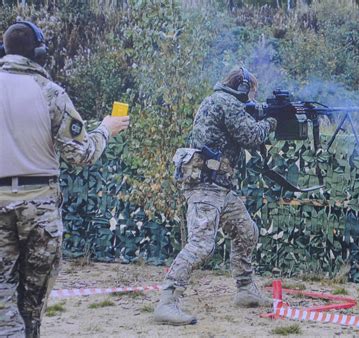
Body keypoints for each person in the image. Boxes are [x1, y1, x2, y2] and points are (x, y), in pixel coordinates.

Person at [0, 21, 129, 337]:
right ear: (41, 54)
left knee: (2, 297)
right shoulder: (50, 93)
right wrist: (105, 130)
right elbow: (80, 155)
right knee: (32, 300)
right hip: (39, 205)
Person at [154, 67, 277, 325]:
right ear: (242, 88)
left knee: (246, 230)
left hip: (219, 187)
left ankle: (245, 290)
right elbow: (251, 135)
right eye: (252, 91)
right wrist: (271, 121)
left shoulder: (219, 100)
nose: (253, 97)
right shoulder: (225, 102)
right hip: (206, 187)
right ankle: (167, 302)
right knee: (201, 245)